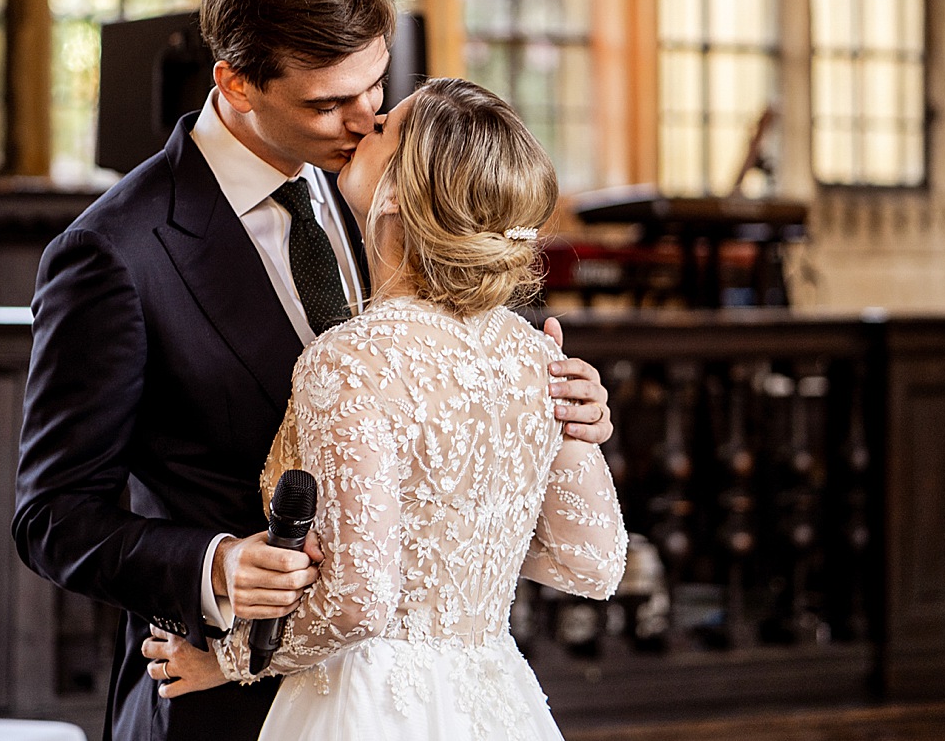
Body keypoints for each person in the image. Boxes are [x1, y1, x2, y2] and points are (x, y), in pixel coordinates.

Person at [12, 0, 614, 741]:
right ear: (236, 83)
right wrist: (216, 566)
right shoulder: (113, 252)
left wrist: (563, 416)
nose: (365, 122)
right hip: (210, 700)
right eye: (327, 103)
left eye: (377, 88)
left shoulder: (392, 195)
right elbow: (52, 516)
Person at [141, 77, 628, 741]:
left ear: (398, 191)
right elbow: (592, 561)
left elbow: (359, 602)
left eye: (384, 127)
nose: (363, 123)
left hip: (369, 705)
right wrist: (461, 546)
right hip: (494, 700)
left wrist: (226, 659)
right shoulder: (536, 355)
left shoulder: (351, 360)